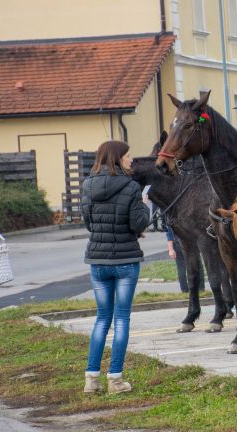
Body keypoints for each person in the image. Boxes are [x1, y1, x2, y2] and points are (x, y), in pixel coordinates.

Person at [81, 140, 150, 394]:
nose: (131, 160)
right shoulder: (132, 187)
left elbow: (88, 223)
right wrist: (144, 204)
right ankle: (116, 379)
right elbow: (138, 224)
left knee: (102, 319)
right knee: (121, 319)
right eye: (128, 156)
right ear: (117, 158)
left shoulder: (87, 185)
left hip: (97, 261)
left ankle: (91, 379)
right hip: (125, 262)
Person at [167, 224, 205, 293]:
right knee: (198, 265)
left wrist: (170, 249)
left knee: (181, 267)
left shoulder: (172, 215)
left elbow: (169, 232)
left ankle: (185, 291)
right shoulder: (190, 214)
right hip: (191, 242)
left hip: (179, 242)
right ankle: (201, 289)